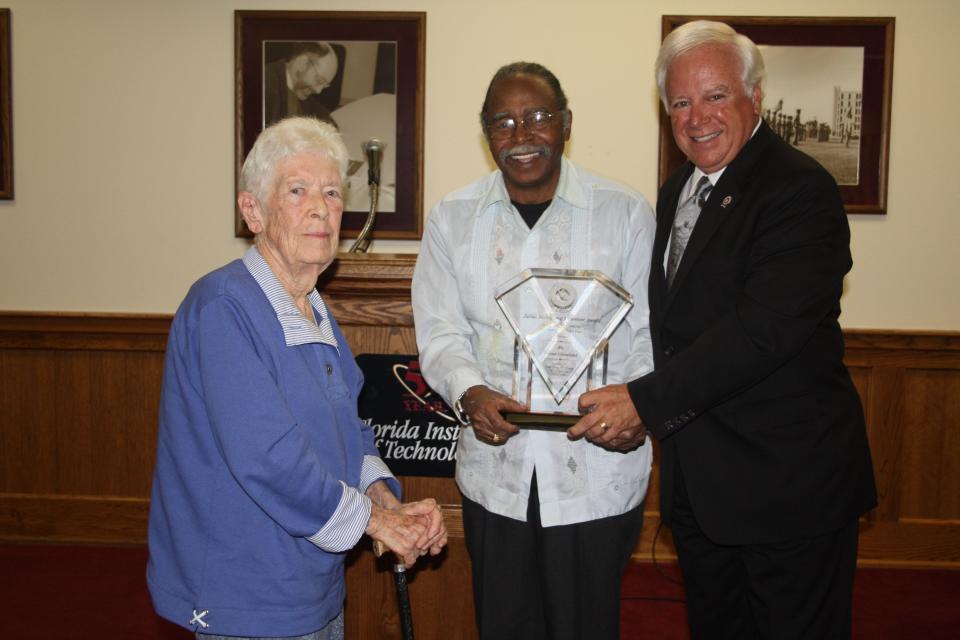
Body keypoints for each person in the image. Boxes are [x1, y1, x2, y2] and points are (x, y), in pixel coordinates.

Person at [569, 21, 877, 639]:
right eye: (680, 102)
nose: (696, 116)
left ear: (754, 97)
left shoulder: (799, 189)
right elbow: (671, 326)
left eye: (715, 95)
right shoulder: (679, 188)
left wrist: (643, 402)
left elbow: (763, 332)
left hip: (788, 490)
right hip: (703, 492)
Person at [147, 116, 447, 639]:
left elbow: (347, 427)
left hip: (311, 582)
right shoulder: (223, 307)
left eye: (332, 192)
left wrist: (383, 497)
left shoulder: (312, 307)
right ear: (253, 211)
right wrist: (377, 525)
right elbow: (268, 457)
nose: (320, 207)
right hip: (245, 591)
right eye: (297, 190)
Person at [411, 62, 656, 640]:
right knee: (505, 625)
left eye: (538, 117)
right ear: (486, 135)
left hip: (597, 475)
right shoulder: (453, 219)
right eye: (503, 123)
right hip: (497, 474)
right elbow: (440, 331)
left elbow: (652, 333)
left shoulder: (624, 213)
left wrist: (640, 404)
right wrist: (469, 391)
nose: (521, 136)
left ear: (566, 124)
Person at [264, 42, 340, 127]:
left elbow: (327, 121)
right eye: (319, 80)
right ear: (302, 63)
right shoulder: (264, 84)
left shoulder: (298, 91)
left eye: (325, 85)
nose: (318, 91)